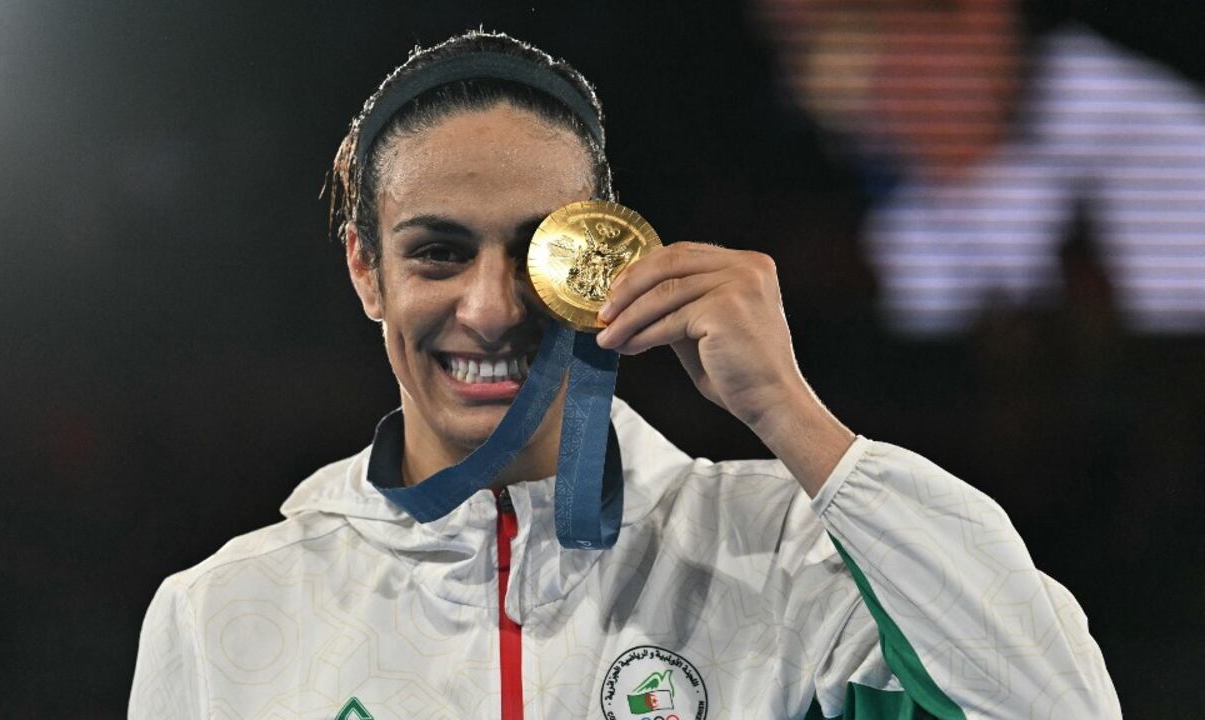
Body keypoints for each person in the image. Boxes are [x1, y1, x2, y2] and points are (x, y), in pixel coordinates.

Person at [129, 30, 1120, 719]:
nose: (487, 307)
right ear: (364, 269)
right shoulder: (223, 614)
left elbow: (1053, 707)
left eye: (533, 252)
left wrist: (792, 415)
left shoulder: (780, 557)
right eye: (437, 252)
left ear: (597, 256)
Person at [752, 0, 1205, 335]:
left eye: (857, 38)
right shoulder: (905, 222)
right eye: (805, 58)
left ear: (981, 17)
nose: (843, 96)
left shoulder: (1161, 152)